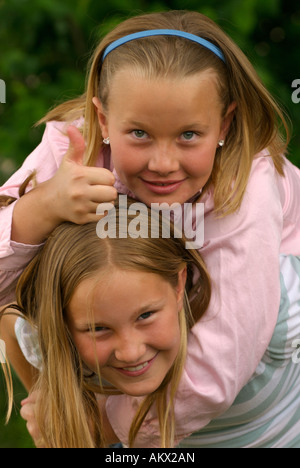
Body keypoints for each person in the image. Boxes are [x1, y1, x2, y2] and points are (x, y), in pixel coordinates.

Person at [0, 9, 299, 447]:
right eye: (138, 133)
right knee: (15, 315)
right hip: (141, 349)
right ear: (102, 121)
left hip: (264, 418)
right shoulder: (75, 149)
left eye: (189, 136)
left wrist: (102, 428)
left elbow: (218, 367)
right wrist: (42, 206)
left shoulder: (247, 184)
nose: (162, 163)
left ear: (226, 124)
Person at [0, 199, 211, 448]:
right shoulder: (50, 335)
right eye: (98, 328)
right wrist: (53, 400)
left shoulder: (228, 343)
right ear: (61, 321)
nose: (131, 352)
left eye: (145, 316)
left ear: (178, 286)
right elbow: (9, 319)